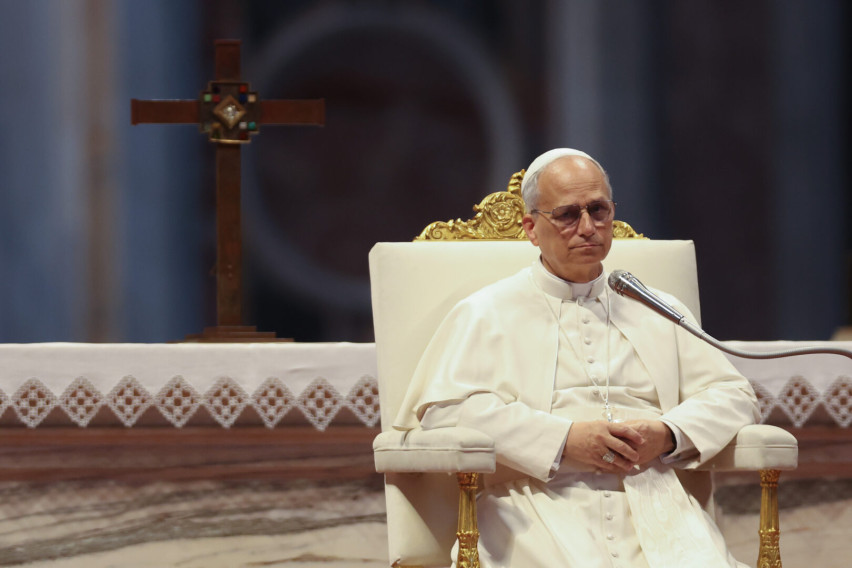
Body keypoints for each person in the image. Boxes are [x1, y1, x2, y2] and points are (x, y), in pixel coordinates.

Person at [394, 148, 760, 568]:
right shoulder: (487, 311)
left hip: (660, 508)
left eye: (598, 210)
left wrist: (667, 434)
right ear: (531, 228)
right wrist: (564, 440)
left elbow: (734, 395)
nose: (588, 228)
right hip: (535, 507)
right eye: (567, 215)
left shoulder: (657, 308)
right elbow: (447, 412)